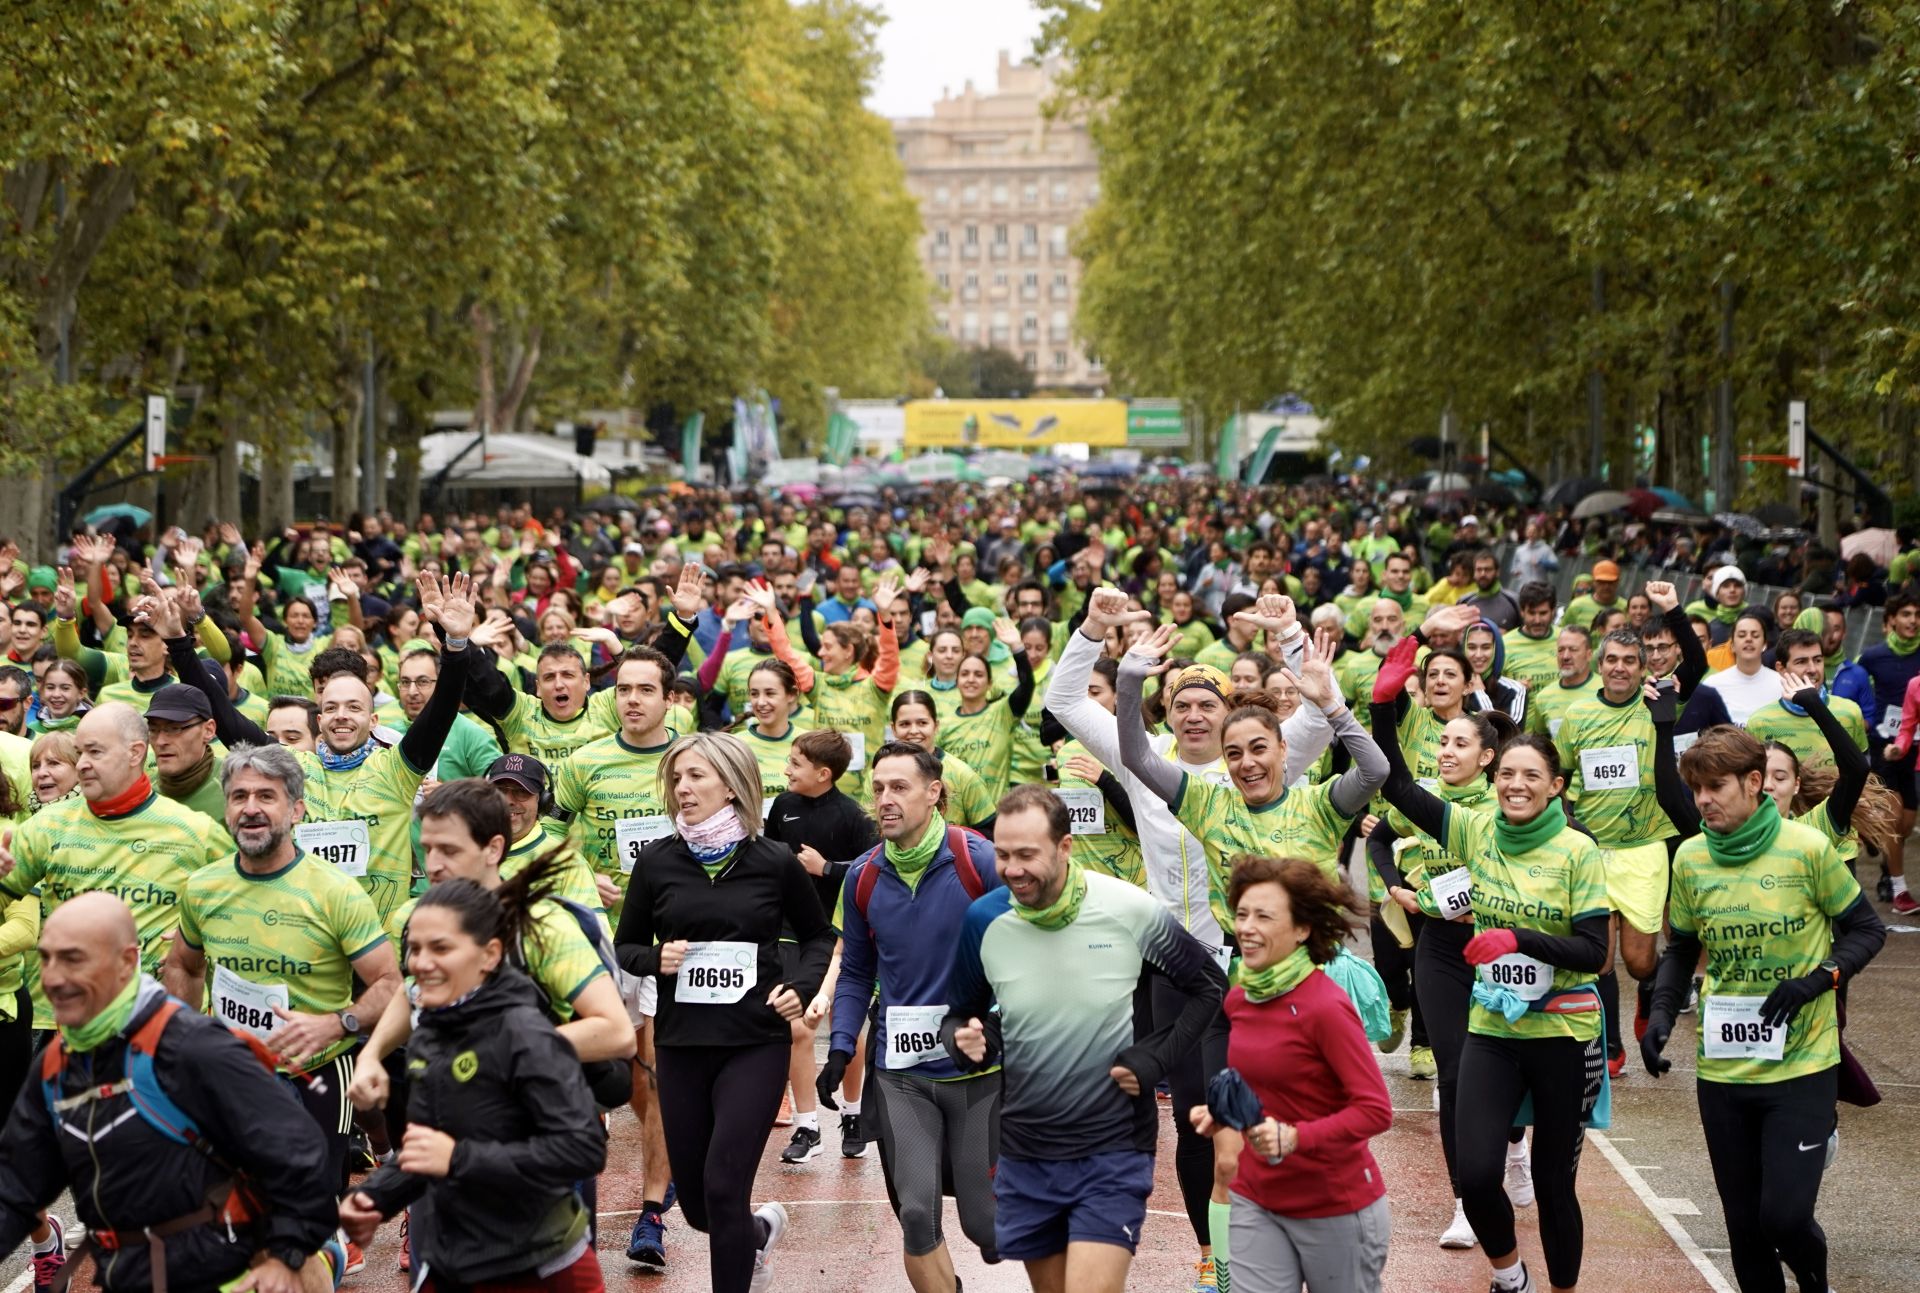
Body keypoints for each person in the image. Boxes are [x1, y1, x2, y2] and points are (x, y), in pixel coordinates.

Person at [1047, 588, 1332, 1289]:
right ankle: (1216, 1254)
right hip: (1173, 962)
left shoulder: (1260, 759)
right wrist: (1095, 632)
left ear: (1231, 711)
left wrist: (1294, 641)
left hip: (1258, 962)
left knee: (1268, 1102)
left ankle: (1288, 1232)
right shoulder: (1145, 760)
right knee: (1201, 1111)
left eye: (1208, 702)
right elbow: (1063, 700)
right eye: (1182, 704)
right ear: (1165, 713)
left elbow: (1324, 717)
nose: (1196, 714)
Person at [1371, 641, 1611, 1293]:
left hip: (1562, 1036)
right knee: (1475, 1174)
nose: (1517, 784)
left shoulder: (1577, 851)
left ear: (1555, 785)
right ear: (1494, 778)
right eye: (1508, 774)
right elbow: (1395, 785)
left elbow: (1595, 952)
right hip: (1493, 1033)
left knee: (1557, 1187)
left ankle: (1560, 1286)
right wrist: (1382, 704)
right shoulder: (1474, 830)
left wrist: (1515, 939)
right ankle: (1511, 1276)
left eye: (1532, 775)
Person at [942, 784, 1226, 1293]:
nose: (1012, 869)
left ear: (1064, 847)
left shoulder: (1127, 907)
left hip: (1113, 1144)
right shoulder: (984, 919)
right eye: (1003, 855)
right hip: (1027, 1149)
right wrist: (965, 1042)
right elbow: (960, 1017)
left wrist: (1153, 1058)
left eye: (1027, 854)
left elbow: (1208, 986)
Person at [1642, 726, 1885, 1293]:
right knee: (1746, 1231)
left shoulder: (1807, 848)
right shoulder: (1693, 858)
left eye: (1715, 787)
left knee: (1784, 1217)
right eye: (1696, 788)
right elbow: (1679, 949)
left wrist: (1816, 981)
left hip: (1802, 1063)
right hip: (1724, 1068)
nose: (1703, 799)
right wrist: (1660, 1014)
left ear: (1754, 783)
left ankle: (1815, 1283)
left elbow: (1865, 930)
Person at [0, 893, 341, 1292]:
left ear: (128, 961)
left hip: (232, 1275)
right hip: (130, 1277)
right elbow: (15, 1190)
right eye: (46, 959)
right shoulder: (56, 1067)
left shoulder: (192, 1047)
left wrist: (289, 1255)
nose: (53, 977)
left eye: (74, 959)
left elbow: (300, 1152)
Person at [613, 731, 835, 1293]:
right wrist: (655, 957)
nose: (682, 788)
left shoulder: (773, 861)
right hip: (683, 1045)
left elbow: (817, 938)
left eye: (695, 777)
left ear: (732, 787)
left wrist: (801, 988)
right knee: (698, 1210)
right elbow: (627, 946)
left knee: (723, 1185)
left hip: (754, 1043)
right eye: (677, 778)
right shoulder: (657, 861)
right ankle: (754, 1235)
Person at [339, 878, 610, 1292]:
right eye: (414, 949)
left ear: (489, 955)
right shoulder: (428, 1035)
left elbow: (583, 1149)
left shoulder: (525, 1033)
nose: (420, 963)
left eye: (441, 948)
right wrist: (375, 1197)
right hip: (452, 1263)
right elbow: (428, 1146)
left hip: (540, 1269)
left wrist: (459, 1158)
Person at [164, 743, 402, 1211]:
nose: (250, 809)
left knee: (304, 1218)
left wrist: (338, 1023)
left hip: (316, 1075)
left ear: (296, 809)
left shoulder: (336, 893)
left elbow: (390, 984)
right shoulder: (203, 887)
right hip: (232, 1073)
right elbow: (182, 965)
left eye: (266, 797)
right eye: (238, 796)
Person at [828, 743, 1002, 1293]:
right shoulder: (862, 876)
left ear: (934, 793)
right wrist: (838, 1047)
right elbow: (856, 972)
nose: (885, 799)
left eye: (899, 787)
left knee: (986, 1225)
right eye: (877, 788)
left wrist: (994, 1024)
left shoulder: (982, 861)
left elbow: (1028, 953)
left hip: (977, 1074)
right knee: (917, 1214)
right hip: (901, 1074)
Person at [1365, 696, 1532, 1249]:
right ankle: (1465, 1202)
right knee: (1455, 1072)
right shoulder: (1425, 799)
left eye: (1459, 743)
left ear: (1488, 757)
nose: (1445, 752)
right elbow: (1381, 834)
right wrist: (1396, 885)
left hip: (1497, 947)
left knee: (1506, 1070)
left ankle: (1514, 1147)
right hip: (1439, 948)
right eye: (1442, 742)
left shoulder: (1501, 806)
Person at [1189, 857, 1392, 1293]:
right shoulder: (1242, 996)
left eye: (1264, 916)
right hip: (1256, 1197)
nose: (1246, 927)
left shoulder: (1325, 1007)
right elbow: (1261, 1080)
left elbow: (1376, 1111)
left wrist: (1297, 1137)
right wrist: (1222, 1111)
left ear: (1302, 929)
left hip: (1334, 1205)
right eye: (1241, 914)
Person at [0, 703, 224, 974]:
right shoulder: (47, 825)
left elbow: (246, 904)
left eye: (94, 752)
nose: (82, 764)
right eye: (79, 753)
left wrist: (197, 939)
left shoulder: (196, 831)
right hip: (70, 1009)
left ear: (135, 753)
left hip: (166, 1011)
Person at [765, 729, 879, 1165]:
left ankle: (852, 1115)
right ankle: (807, 1125)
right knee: (797, 1026)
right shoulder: (782, 806)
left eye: (795, 764)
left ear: (824, 773)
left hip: (843, 932)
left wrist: (825, 868)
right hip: (793, 930)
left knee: (846, 1026)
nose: (787, 770)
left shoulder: (852, 815)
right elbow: (770, 857)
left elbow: (873, 867)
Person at [1703, 610, 1786, 727]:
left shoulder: (1782, 684)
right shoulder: (1712, 685)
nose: (1748, 639)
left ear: (1764, 645)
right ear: (1732, 645)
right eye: (1742, 635)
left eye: (1755, 635)